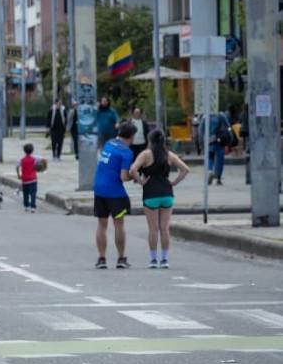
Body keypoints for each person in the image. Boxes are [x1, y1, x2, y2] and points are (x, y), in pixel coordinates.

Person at [130, 129, 190, 269]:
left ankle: (153, 260)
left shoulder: (145, 155)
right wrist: (174, 182)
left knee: (153, 229)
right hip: (167, 193)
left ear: (150, 141)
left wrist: (141, 181)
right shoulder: (169, 155)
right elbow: (185, 169)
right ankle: (164, 259)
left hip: (150, 193)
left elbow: (133, 170)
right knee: (165, 228)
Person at [93, 122, 137, 269]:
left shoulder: (109, 143)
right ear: (131, 137)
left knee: (101, 224)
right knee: (119, 224)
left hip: (99, 188)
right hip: (114, 192)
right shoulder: (126, 152)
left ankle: (101, 259)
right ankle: (121, 258)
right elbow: (124, 177)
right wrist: (134, 177)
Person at [198, 111, 230, 185]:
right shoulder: (221, 116)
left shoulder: (204, 117)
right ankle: (218, 178)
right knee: (220, 160)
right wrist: (229, 140)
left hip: (208, 141)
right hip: (220, 140)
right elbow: (228, 128)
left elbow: (200, 131)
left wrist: (201, 144)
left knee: (210, 157)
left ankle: (209, 171)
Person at [16, 143, 44, 213]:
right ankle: (33, 207)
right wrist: (43, 168)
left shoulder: (21, 159)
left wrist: (18, 175)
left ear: (24, 151)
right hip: (33, 179)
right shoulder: (35, 158)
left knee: (25, 193)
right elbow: (44, 160)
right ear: (32, 150)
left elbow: (17, 167)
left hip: (25, 179)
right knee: (33, 193)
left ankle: (26, 206)